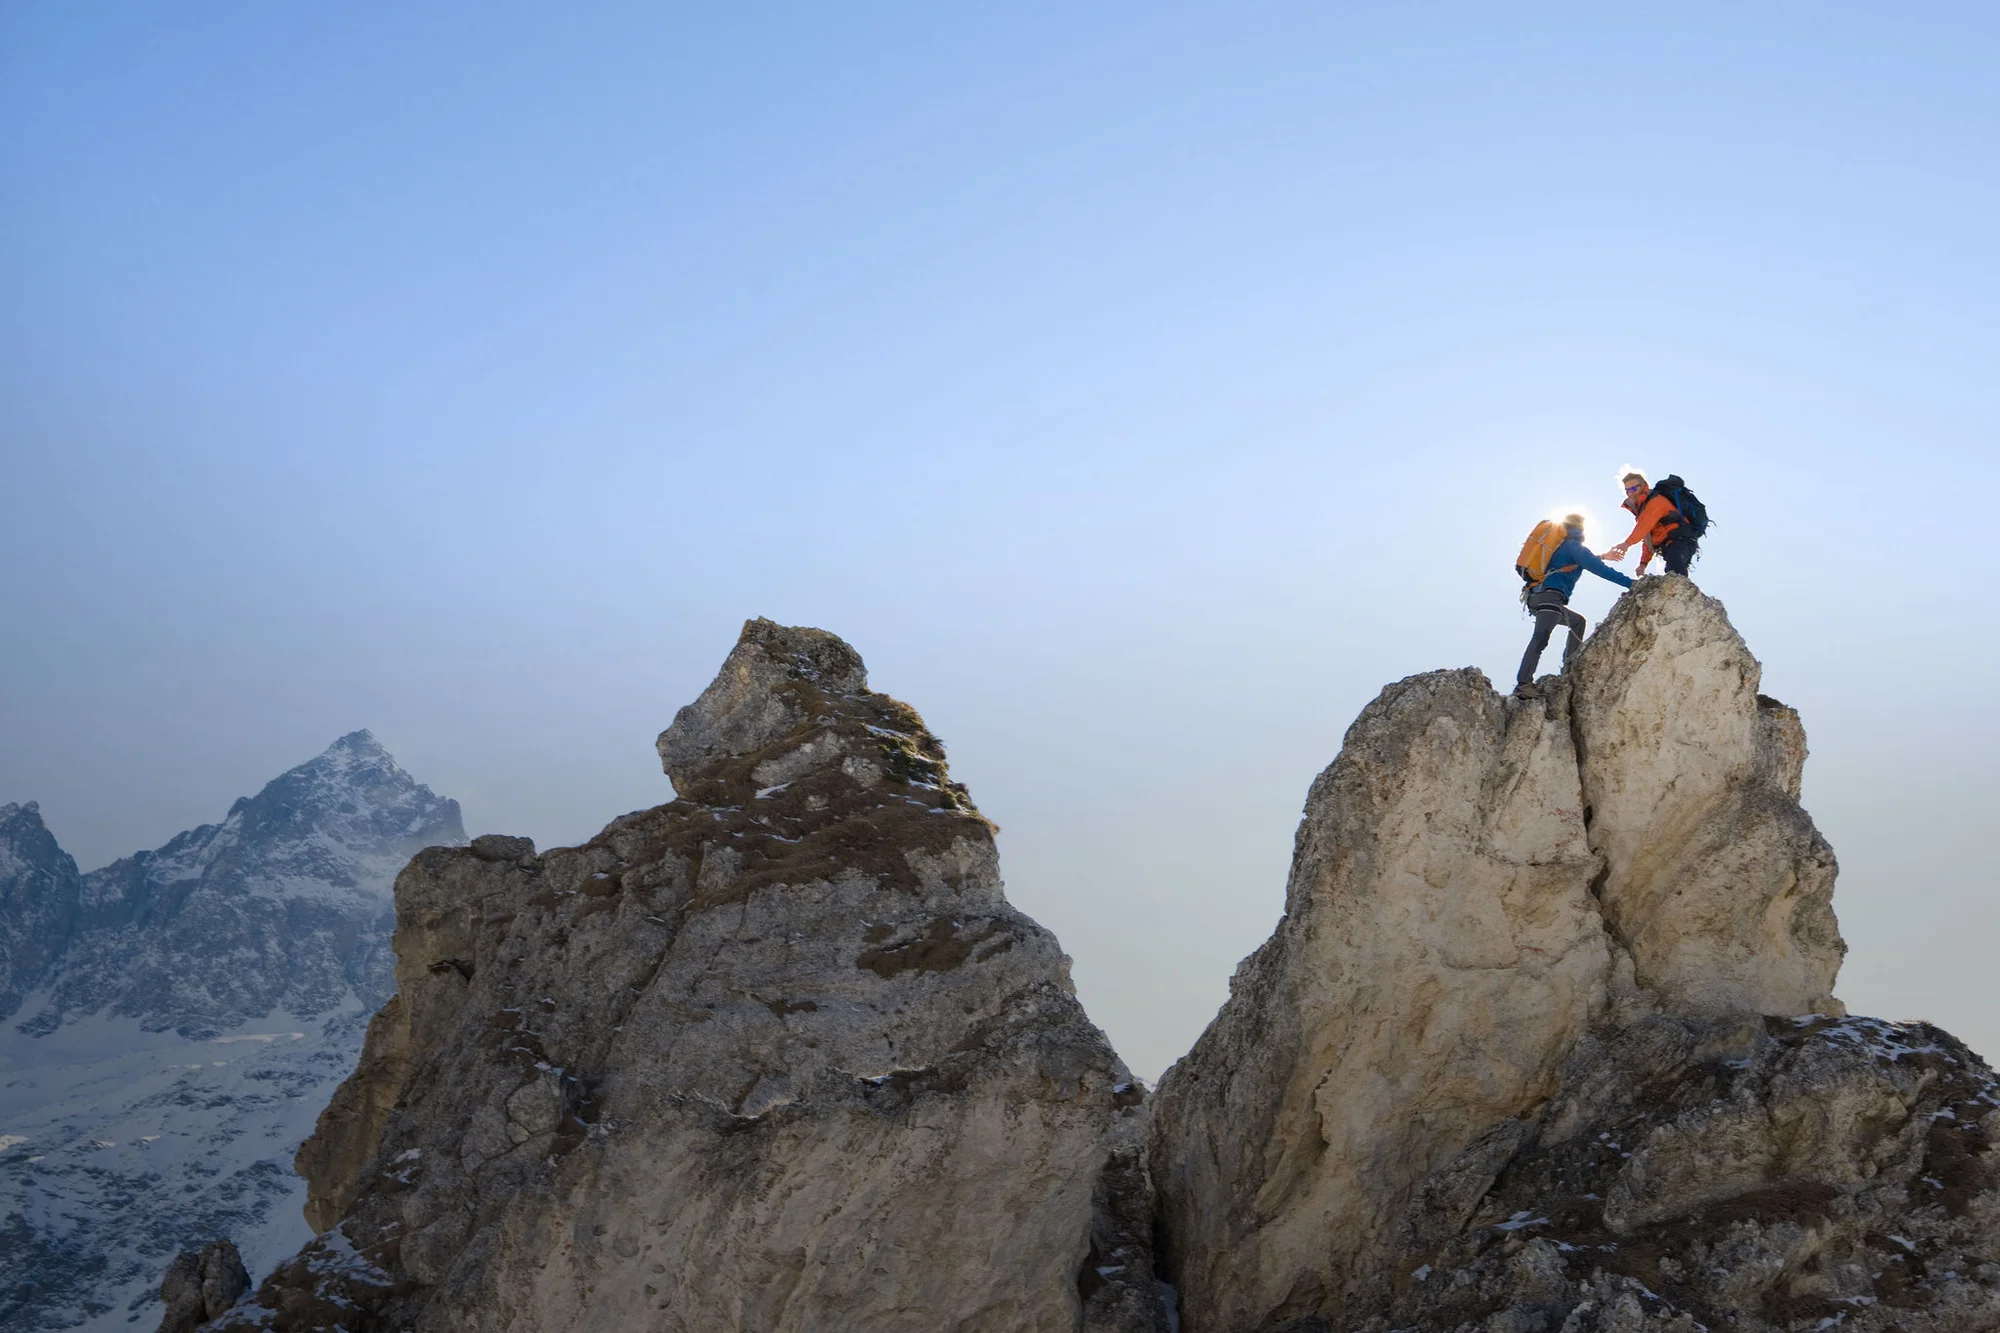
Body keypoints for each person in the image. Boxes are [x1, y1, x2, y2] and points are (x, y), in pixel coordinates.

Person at [1517, 514, 1634, 696]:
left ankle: (1569, 668)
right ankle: (1524, 685)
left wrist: (1603, 556)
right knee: (1540, 638)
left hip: (1536, 597)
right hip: (1551, 597)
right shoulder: (1574, 546)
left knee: (1577, 622)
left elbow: (1571, 563)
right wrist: (1632, 584)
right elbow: (1598, 569)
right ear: (1581, 529)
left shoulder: (1560, 547)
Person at [1604, 472, 1698, 576]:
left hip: (1681, 540)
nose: (1630, 493)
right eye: (1627, 491)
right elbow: (1648, 539)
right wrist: (1643, 564)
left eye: (1633, 489)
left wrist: (1626, 544)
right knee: (1673, 573)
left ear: (1643, 486)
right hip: (1672, 545)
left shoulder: (1656, 501)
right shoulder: (1643, 510)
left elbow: (1643, 527)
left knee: (1675, 573)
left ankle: (1682, 590)